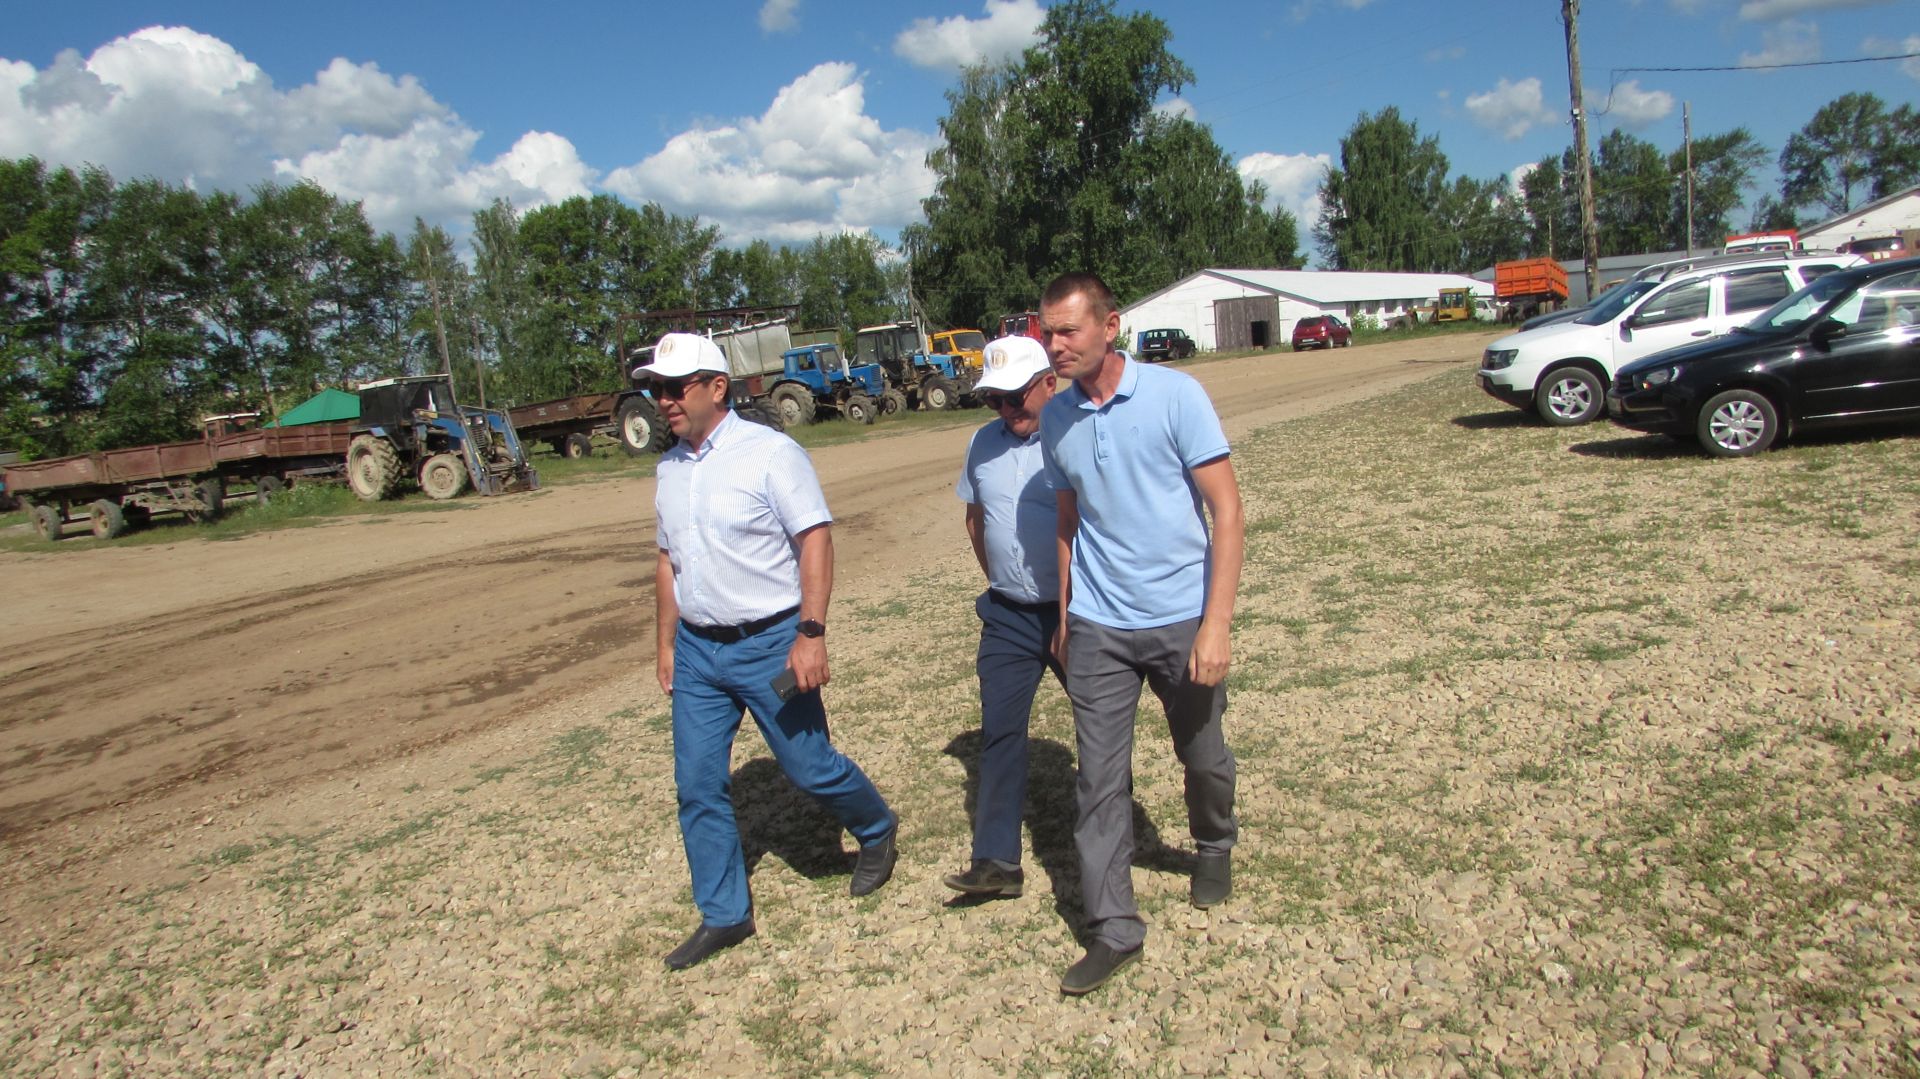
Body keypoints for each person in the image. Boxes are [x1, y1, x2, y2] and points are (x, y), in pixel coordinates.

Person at [643, 332, 899, 972]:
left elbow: (815, 538)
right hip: (701, 654)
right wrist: (667, 641)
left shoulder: (771, 454)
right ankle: (724, 914)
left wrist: (810, 633)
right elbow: (667, 559)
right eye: (657, 390)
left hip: (772, 645)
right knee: (698, 784)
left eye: (676, 388)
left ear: (715, 387)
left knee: (808, 766)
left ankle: (875, 829)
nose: (664, 400)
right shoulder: (669, 468)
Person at [1037, 273, 1245, 996]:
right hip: (1098, 623)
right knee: (1098, 779)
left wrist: (1214, 623)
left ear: (1109, 325)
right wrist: (1065, 617)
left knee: (1203, 752)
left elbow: (1227, 511)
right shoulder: (1056, 419)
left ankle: (1214, 841)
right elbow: (1068, 522)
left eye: (1068, 330)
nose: (1054, 345)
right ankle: (1114, 927)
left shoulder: (1175, 396)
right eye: (1047, 331)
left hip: (1182, 614)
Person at [945, 335, 1065, 899]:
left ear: (1049, 383)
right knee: (999, 731)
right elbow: (977, 521)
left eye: (1017, 396)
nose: (1008, 410)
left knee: (1100, 725)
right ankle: (996, 861)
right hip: (1009, 615)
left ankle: (1113, 834)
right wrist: (1002, 580)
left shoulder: (1077, 436)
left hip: (1077, 612)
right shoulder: (981, 444)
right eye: (996, 400)